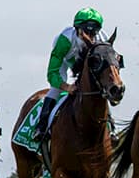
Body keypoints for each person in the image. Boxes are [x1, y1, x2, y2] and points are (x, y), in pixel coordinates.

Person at [33, 8, 107, 141]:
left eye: (93, 32)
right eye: (86, 31)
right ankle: (41, 127)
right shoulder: (65, 39)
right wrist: (67, 87)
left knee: (100, 89)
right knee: (55, 89)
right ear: (77, 29)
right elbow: (52, 73)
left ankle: (111, 126)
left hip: (87, 62)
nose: (90, 36)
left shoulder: (102, 38)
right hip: (66, 59)